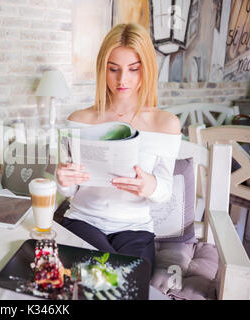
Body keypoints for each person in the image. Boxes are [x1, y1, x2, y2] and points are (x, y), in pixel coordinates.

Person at [56, 23, 181, 270]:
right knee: (92, 277)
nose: (122, 79)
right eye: (113, 69)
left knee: (128, 285)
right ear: (103, 69)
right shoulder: (79, 120)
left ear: (147, 70)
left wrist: (149, 185)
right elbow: (69, 192)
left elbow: (164, 191)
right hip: (83, 221)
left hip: (135, 229)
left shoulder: (165, 124)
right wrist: (64, 179)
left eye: (133, 69)